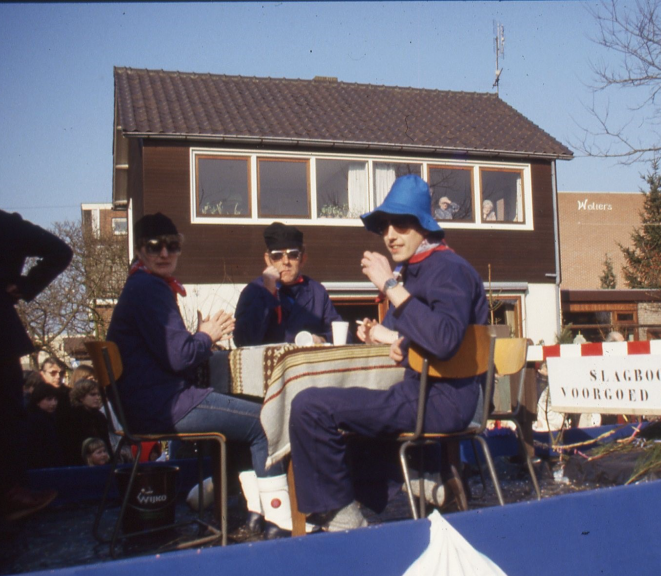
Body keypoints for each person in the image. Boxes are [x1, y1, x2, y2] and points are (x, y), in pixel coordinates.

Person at [288, 175, 489, 531]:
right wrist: (403, 343)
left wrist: (389, 285)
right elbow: (431, 330)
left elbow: (445, 339)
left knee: (309, 406)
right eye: (384, 225)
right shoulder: (424, 268)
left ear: (424, 226)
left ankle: (342, 518)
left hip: (442, 402)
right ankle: (419, 478)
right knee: (344, 416)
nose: (391, 234)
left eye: (401, 223)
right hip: (423, 393)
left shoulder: (449, 269)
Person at [105, 213, 285, 536]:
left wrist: (198, 338)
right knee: (266, 420)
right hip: (164, 408)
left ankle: (253, 513)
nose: (164, 254)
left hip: (145, 406)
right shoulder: (151, 289)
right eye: (155, 247)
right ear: (140, 250)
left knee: (240, 420)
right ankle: (277, 521)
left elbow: (170, 353)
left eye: (172, 246)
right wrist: (207, 335)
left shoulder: (138, 285)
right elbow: (181, 356)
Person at [0, 204, 71, 524]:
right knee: (3, 415)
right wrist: (23, 286)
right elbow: (59, 250)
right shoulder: (1, 224)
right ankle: (7, 492)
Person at [233, 223, 343, 347]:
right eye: (277, 256)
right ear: (268, 260)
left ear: (302, 259)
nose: (285, 262)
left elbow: (342, 334)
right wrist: (267, 293)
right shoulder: (253, 291)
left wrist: (321, 339)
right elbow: (242, 341)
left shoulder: (317, 292)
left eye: (293, 255)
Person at [63, 379, 111, 466]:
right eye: (92, 394)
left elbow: (106, 442)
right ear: (81, 397)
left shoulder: (100, 417)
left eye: (98, 394)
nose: (97, 397)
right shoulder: (72, 417)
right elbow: (71, 447)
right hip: (79, 465)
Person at [26, 382, 65, 469]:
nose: (54, 403)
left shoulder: (54, 418)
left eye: (55, 399)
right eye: (49, 399)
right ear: (38, 401)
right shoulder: (34, 421)